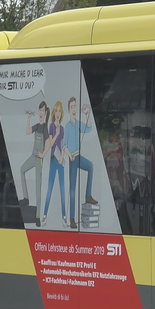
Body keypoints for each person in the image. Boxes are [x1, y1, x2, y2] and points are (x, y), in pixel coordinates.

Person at [64, 96, 97, 229]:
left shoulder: (78, 123)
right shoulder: (67, 126)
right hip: (72, 159)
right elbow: (64, 145)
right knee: (72, 190)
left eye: (75, 107)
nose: (74, 109)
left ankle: (88, 195)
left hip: (79, 157)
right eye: (72, 107)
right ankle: (72, 219)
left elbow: (88, 128)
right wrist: (69, 155)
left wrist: (87, 113)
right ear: (68, 109)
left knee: (91, 166)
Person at [18, 101, 49, 224]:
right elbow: (27, 131)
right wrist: (28, 119)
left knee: (38, 189)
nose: (41, 112)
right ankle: (26, 198)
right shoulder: (37, 125)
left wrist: (44, 154)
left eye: (43, 110)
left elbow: (48, 142)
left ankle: (37, 217)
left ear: (45, 112)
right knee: (22, 169)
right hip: (32, 156)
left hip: (39, 160)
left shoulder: (45, 128)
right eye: (40, 110)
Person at [42, 100, 67, 226]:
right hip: (53, 159)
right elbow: (51, 144)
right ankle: (45, 215)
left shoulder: (62, 128)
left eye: (59, 111)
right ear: (54, 113)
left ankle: (64, 217)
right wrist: (56, 134)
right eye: (56, 110)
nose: (57, 113)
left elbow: (62, 145)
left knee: (62, 189)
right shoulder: (52, 126)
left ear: (61, 113)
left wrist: (62, 157)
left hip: (60, 161)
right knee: (50, 188)